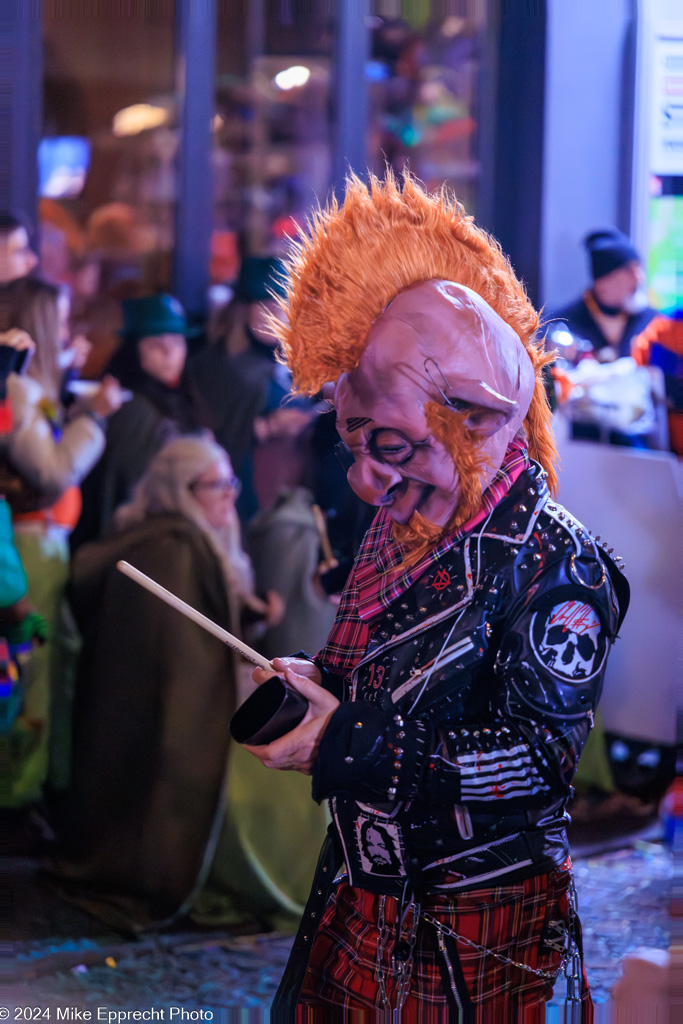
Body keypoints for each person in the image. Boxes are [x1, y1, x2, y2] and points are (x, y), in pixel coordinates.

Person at [244, 172, 629, 1019]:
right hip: (360, 894)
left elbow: (534, 760)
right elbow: (375, 676)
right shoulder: (399, 526)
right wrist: (314, 688)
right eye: (353, 446)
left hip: (473, 926)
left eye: (388, 446)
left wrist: (346, 737)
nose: (365, 478)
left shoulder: (560, 563)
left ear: (478, 420)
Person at [53, 436, 286, 930]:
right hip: (160, 724)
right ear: (180, 489)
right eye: (215, 484)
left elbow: (205, 638)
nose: (229, 494)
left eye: (231, 481)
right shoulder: (172, 548)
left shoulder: (192, 540)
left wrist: (252, 620)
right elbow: (180, 668)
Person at [72, 293, 211, 548]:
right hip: (145, 541)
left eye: (177, 342)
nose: (169, 353)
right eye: (156, 344)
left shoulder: (185, 400)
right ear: (135, 350)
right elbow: (126, 491)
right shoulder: (133, 410)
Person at [191, 255, 315, 520]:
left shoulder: (289, 362)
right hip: (244, 499)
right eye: (268, 307)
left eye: (285, 307)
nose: (279, 317)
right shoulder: (220, 368)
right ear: (243, 311)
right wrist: (266, 428)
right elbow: (211, 438)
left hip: (290, 492)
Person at [549, 229, 657, 362]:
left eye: (639, 269)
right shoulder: (564, 324)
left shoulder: (653, 322)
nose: (639, 279)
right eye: (629, 271)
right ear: (602, 283)